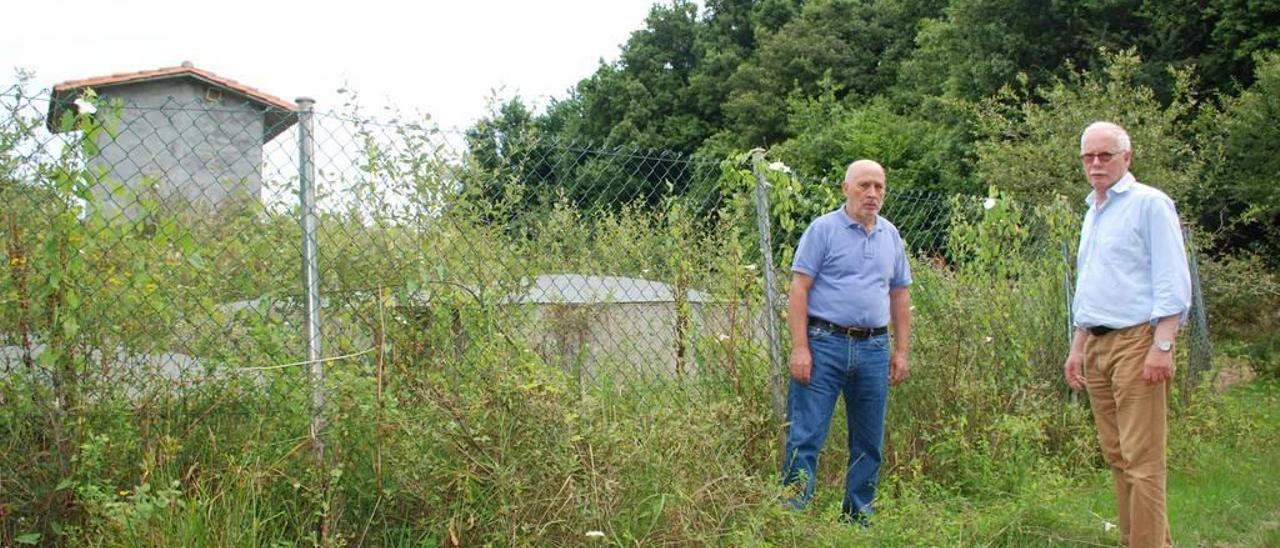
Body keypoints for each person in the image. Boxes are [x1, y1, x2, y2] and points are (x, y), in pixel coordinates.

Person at [1064, 121, 1191, 548]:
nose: (1096, 164)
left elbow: (1172, 279)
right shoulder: (1094, 210)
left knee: (1143, 459)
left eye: (1105, 155)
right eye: (1089, 157)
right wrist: (1078, 346)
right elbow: (1092, 285)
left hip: (1138, 342)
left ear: (1127, 158)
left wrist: (1163, 344)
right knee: (1119, 457)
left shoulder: (1149, 204)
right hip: (1097, 343)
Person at [782, 159, 912, 523]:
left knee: (868, 442)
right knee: (806, 437)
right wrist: (800, 347)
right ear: (846, 188)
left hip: (874, 348)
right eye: (864, 186)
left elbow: (900, 295)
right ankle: (792, 518)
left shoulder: (891, 236)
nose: (872, 194)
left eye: (879, 187)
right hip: (825, 344)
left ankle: (858, 517)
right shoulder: (822, 230)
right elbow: (799, 288)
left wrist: (901, 351)